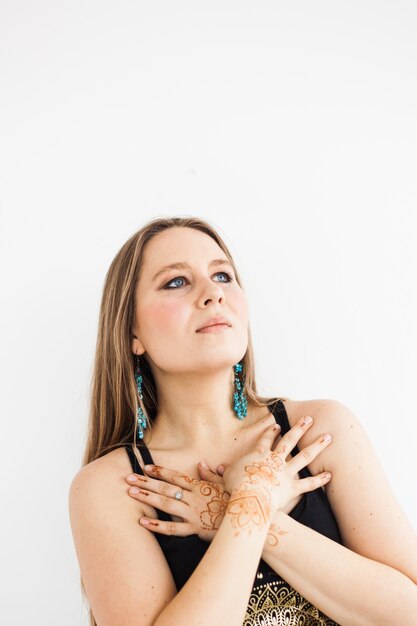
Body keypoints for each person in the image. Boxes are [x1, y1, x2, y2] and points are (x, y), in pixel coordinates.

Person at [69, 216, 417, 626]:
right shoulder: (113, 487)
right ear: (132, 332)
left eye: (223, 275)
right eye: (176, 282)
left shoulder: (320, 430)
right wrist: (252, 506)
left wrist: (235, 510)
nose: (213, 293)